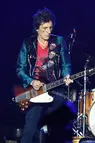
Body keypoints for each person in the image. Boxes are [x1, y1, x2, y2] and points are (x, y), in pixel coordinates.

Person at [16, 8, 76, 143]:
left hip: (56, 89)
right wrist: (31, 81)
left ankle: (46, 127)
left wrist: (67, 75)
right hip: (36, 92)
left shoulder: (59, 41)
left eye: (50, 27)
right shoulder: (27, 44)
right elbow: (20, 69)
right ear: (37, 29)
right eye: (44, 28)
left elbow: (66, 64)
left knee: (59, 126)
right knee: (29, 132)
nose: (48, 31)